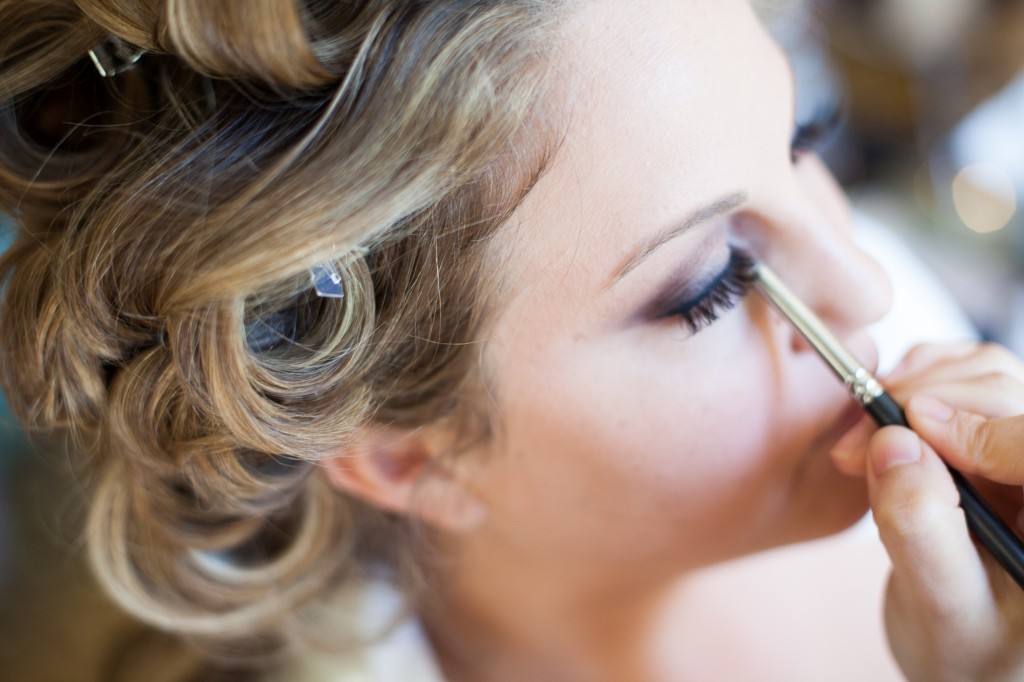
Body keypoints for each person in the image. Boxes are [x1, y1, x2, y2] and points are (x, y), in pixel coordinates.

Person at [1, 0, 1022, 680]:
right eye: (708, 288)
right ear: (404, 447)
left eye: (805, 140)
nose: (872, 282)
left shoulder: (926, 367)